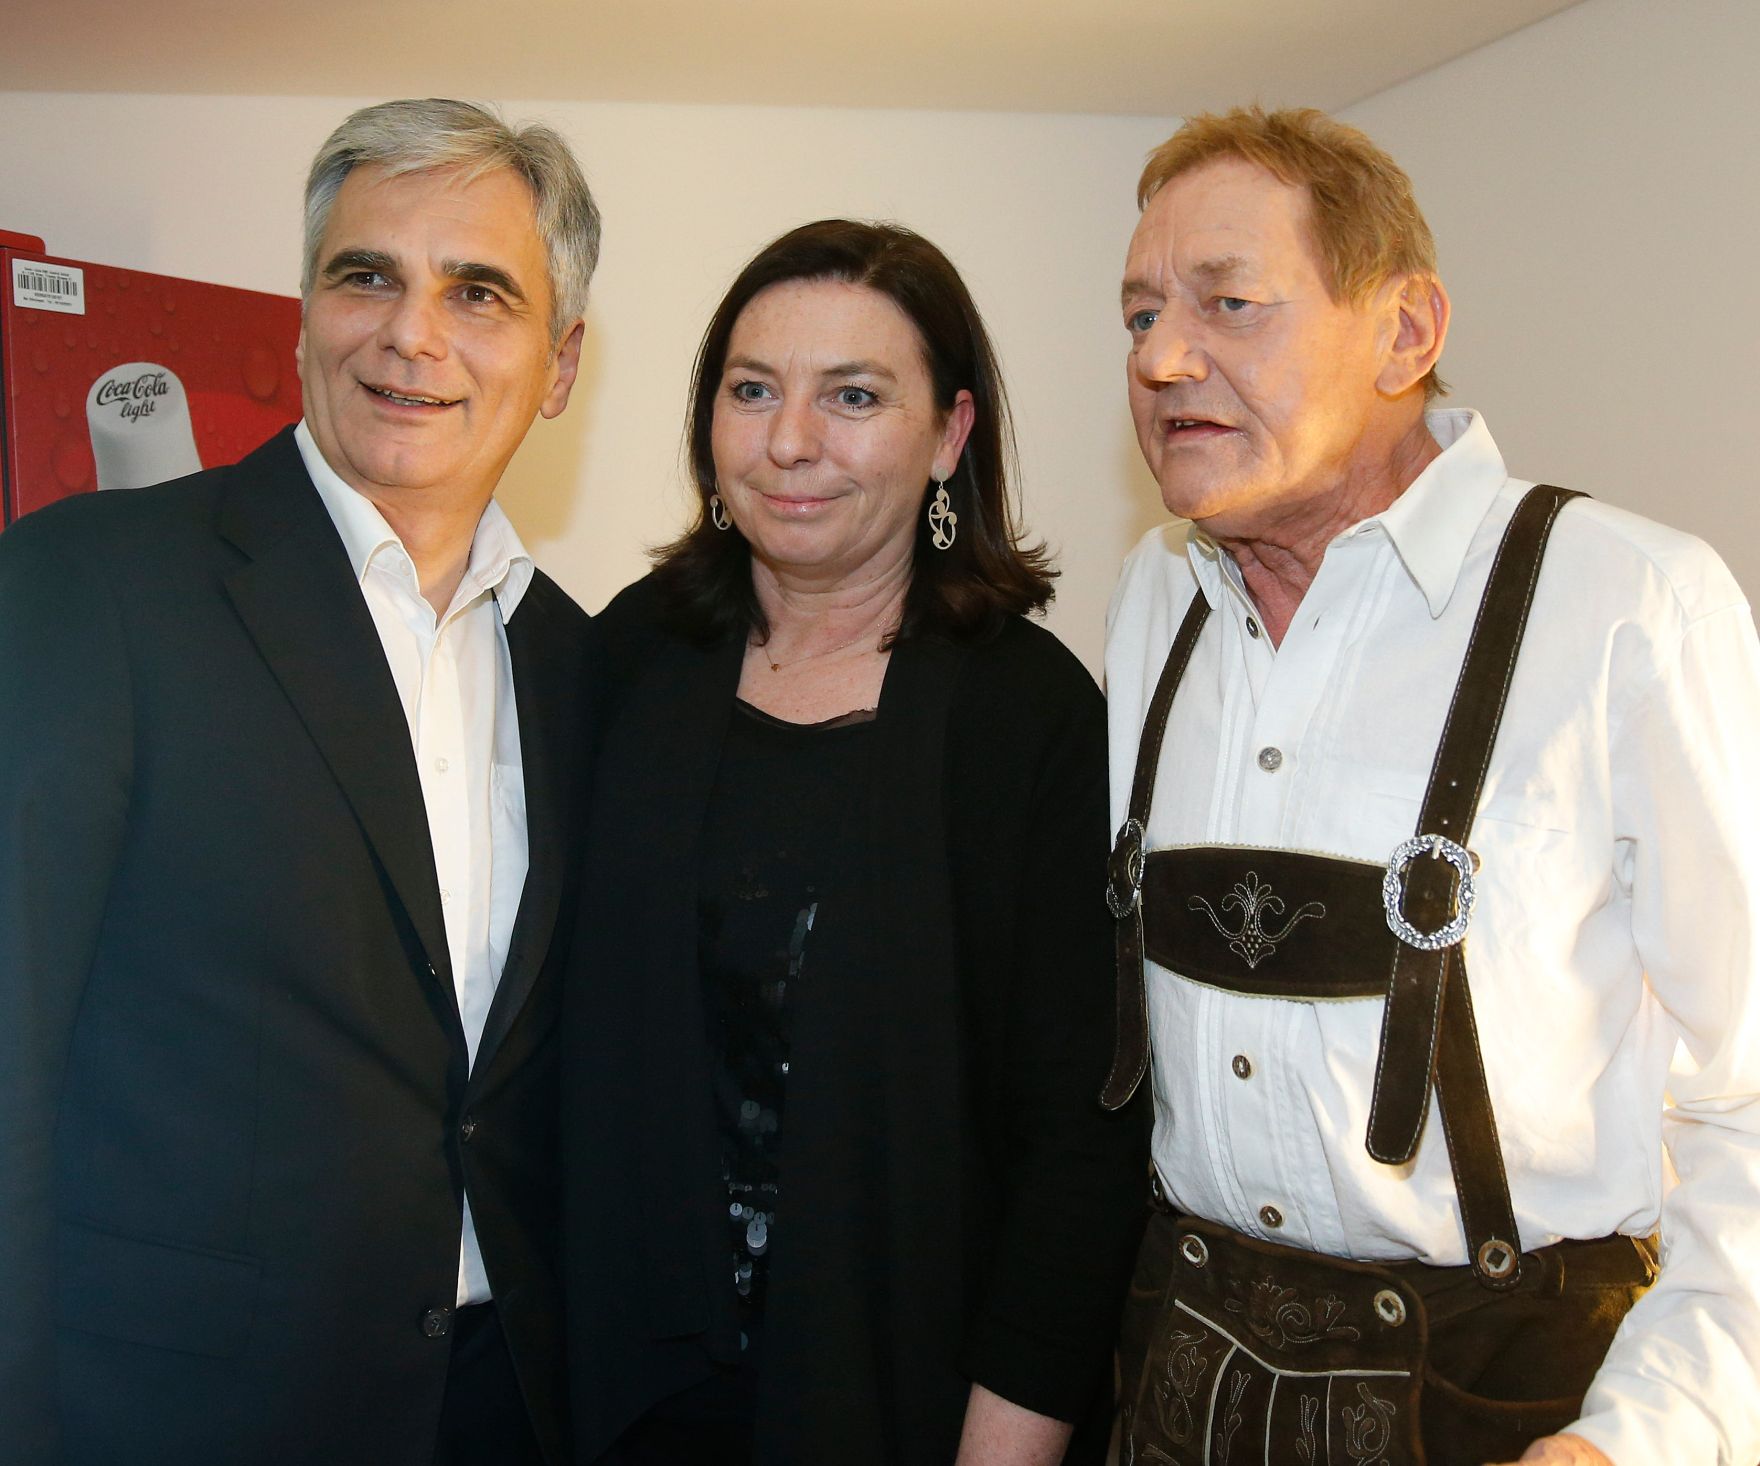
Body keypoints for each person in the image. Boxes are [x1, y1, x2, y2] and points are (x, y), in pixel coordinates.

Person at [1102, 104, 1760, 1466]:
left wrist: (1640, 1439)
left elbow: (1746, 1094)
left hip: (1511, 1408)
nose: (1162, 358)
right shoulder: (1152, 602)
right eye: (1141, 315)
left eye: (1229, 302)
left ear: (1404, 332)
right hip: (1179, 1375)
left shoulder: (1631, 606)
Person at [0, 98, 601, 1465]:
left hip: (503, 1408)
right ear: (304, 316)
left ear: (560, 362)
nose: (412, 334)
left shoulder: (582, 665)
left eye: (478, 292)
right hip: (174, 1418)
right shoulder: (90, 585)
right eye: (365, 275)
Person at [560, 219, 1148, 1465]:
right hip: (619, 1388)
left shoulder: (1027, 718)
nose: (789, 440)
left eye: (854, 396)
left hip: (902, 1400)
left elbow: (1077, 1143)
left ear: (948, 435)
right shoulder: (623, 659)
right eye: (751, 389)